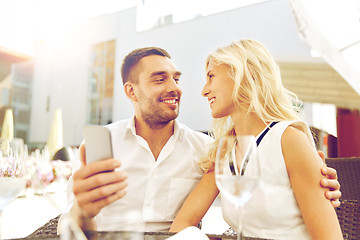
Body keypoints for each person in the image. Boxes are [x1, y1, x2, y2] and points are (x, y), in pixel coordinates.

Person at [59, 46, 341, 233]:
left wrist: (321, 185)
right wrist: (81, 210)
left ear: (244, 78)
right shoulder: (220, 151)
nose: (177, 89)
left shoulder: (209, 149)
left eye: (177, 79)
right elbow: (70, 226)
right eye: (160, 79)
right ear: (131, 92)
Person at [170, 40, 343, 239]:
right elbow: (182, 226)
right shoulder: (225, 150)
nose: (204, 91)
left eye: (211, 77)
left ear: (246, 74)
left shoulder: (288, 140)